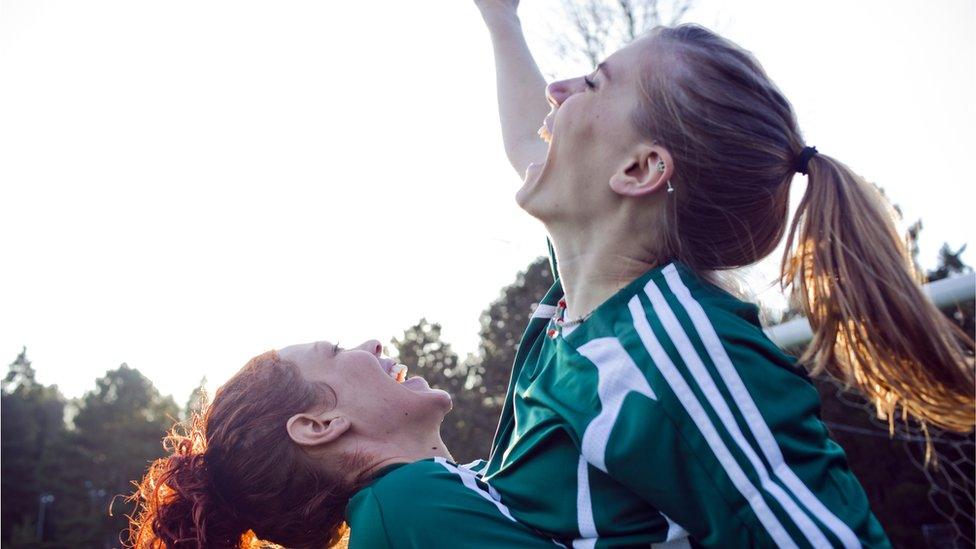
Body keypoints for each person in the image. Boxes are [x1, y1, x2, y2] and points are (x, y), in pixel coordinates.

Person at [473, 1, 975, 547]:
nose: (558, 89)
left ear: (639, 170)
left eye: (594, 83)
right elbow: (533, 139)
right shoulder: (590, 298)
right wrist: (501, 17)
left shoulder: (673, 346)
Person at [127, 339, 558, 548]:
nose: (372, 344)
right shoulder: (408, 505)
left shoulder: (443, 492)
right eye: (334, 351)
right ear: (320, 425)